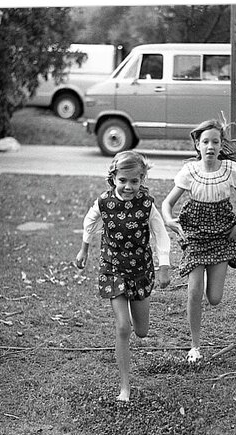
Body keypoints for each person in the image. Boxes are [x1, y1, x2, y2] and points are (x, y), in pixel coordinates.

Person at [75, 151, 171, 402]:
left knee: (141, 331)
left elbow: (160, 233)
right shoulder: (104, 201)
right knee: (123, 327)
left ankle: (133, 319)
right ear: (113, 178)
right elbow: (89, 220)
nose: (128, 186)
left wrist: (164, 266)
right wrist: (84, 248)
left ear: (142, 180)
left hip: (139, 270)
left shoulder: (147, 204)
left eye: (134, 181)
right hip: (113, 268)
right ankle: (124, 387)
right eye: (123, 180)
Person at [162, 119, 236, 364]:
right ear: (197, 145)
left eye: (215, 141)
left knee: (214, 298)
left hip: (222, 232)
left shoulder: (229, 170)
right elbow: (167, 203)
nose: (210, 146)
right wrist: (170, 220)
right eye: (205, 142)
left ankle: (211, 285)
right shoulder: (190, 172)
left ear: (221, 145)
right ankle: (195, 346)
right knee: (194, 291)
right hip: (195, 232)